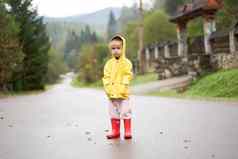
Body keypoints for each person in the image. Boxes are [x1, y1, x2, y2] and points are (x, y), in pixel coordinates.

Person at [102, 34, 133, 139]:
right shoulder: (108, 64)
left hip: (123, 94)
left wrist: (124, 86)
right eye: (113, 48)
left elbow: (127, 75)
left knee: (125, 112)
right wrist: (108, 88)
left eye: (118, 48)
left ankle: (127, 131)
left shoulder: (126, 63)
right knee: (113, 113)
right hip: (112, 94)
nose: (115, 50)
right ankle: (115, 131)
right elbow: (106, 77)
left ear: (123, 48)